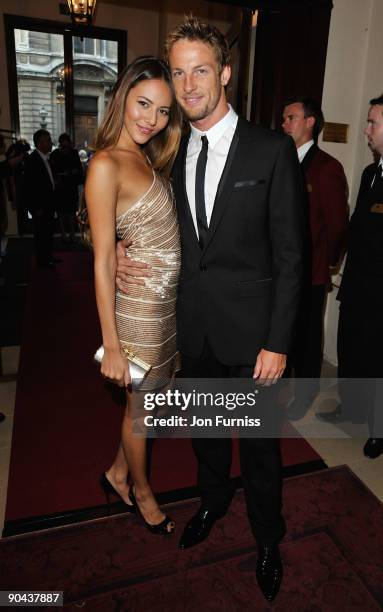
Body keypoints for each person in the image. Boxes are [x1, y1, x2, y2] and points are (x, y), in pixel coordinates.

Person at [116, 17, 303, 602]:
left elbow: (294, 256)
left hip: (253, 340)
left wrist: (277, 342)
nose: (189, 83)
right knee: (206, 436)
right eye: (178, 71)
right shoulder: (166, 153)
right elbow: (140, 217)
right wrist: (122, 250)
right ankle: (211, 504)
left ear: (225, 73)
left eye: (201, 70)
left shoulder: (271, 151)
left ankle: (268, 537)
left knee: (260, 449)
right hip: (192, 328)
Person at [86, 56, 183, 535]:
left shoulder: (147, 156)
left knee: (150, 404)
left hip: (164, 307)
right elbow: (103, 259)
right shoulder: (106, 163)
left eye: (163, 111)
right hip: (137, 312)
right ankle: (143, 493)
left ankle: (118, 473)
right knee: (142, 412)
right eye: (143, 103)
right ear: (122, 96)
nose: (151, 118)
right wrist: (114, 344)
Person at [317, 94, 383, 459]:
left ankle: (379, 429)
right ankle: (352, 408)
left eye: (373, 123)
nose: (366, 129)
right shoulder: (371, 173)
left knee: (378, 361)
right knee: (352, 352)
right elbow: (357, 228)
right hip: (358, 286)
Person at [282, 97, 348, 419]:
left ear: (310, 123)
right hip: (282, 270)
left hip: (311, 270)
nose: (284, 124)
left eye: (291, 117)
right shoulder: (281, 161)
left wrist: (330, 261)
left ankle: (305, 394)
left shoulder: (326, 168)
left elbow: (337, 225)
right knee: (284, 331)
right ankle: (280, 384)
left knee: (307, 336)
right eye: (284, 118)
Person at [22, 129, 59, 268]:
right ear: (40, 143)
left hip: (48, 204)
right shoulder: (33, 160)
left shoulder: (45, 158)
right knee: (41, 234)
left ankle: (48, 257)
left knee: (48, 233)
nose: (51, 143)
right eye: (48, 140)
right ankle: (42, 261)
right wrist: (35, 208)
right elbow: (28, 187)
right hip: (40, 207)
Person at [50, 133, 83, 243]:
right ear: (60, 143)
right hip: (60, 187)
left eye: (67, 144)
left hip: (70, 187)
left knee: (71, 212)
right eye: (63, 145)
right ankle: (63, 234)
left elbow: (79, 169)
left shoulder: (74, 153)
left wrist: (73, 172)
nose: (65, 147)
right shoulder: (55, 154)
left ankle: (73, 234)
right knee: (61, 212)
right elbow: (52, 170)